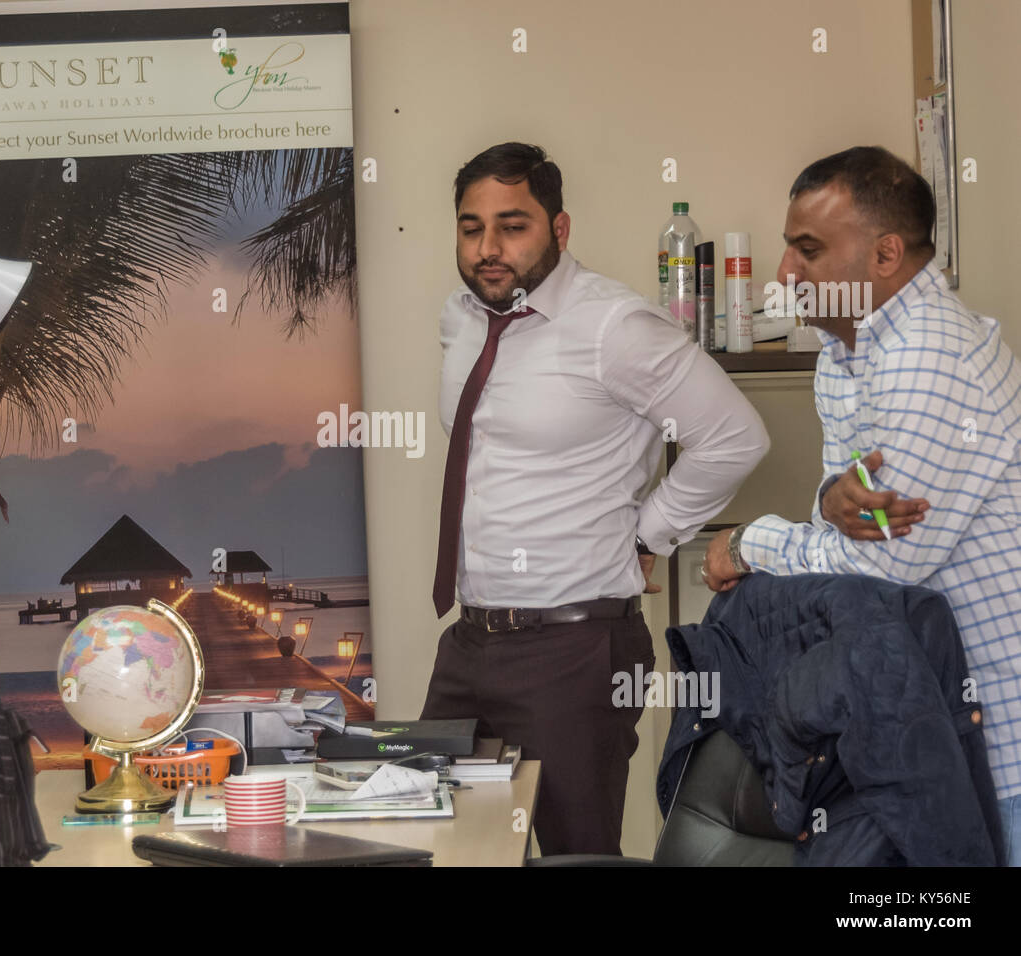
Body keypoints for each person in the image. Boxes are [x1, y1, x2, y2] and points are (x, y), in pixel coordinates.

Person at [424, 142, 770, 856]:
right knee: (445, 846)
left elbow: (735, 436)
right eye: (471, 227)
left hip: (575, 648)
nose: (489, 247)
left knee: (576, 857)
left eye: (512, 225)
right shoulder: (460, 319)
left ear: (560, 227)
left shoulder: (615, 326)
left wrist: (647, 538)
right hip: (468, 642)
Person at [701, 145, 1021, 866]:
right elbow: (843, 524)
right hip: (943, 728)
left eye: (808, 249)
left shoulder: (925, 358)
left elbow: (886, 571)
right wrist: (823, 499)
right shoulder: (845, 352)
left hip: (1008, 745)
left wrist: (752, 541)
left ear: (884, 254)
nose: (785, 274)